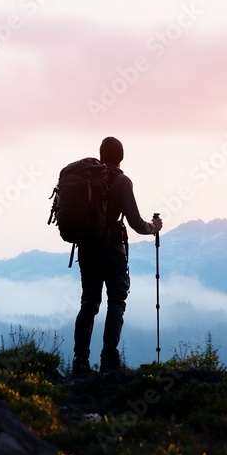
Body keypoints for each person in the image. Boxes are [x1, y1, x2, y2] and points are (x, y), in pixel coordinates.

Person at [73, 136, 162, 376]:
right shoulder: (122, 182)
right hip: (112, 252)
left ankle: (80, 360)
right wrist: (154, 227)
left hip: (87, 250)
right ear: (121, 157)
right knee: (116, 303)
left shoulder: (87, 180)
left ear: (101, 155)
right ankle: (108, 360)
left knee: (89, 304)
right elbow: (135, 222)